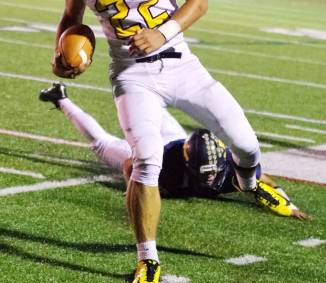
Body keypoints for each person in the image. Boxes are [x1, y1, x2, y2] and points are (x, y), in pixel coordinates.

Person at [50, 0, 271, 283]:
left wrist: (161, 32)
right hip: (132, 75)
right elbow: (71, 19)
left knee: (246, 144)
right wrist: (62, 51)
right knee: (146, 161)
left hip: (183, 65)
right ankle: (147, 259)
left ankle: (249, 183)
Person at [39, 82, 309, 222]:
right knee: (102, 142)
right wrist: (132, 187)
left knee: (156, 108)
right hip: (160, 147)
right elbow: (130, 166)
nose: (213, 181)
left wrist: (287, 203)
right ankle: (61, 98)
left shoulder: (224, 167)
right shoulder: (164, 166)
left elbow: (261, 178)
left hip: (178, 138)